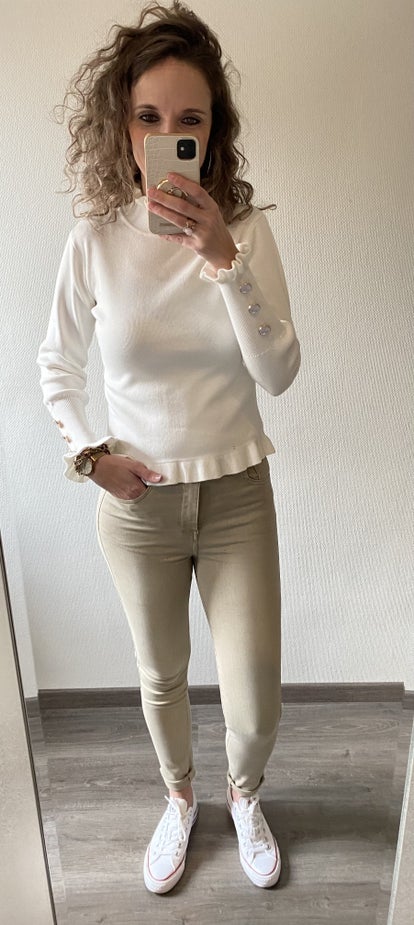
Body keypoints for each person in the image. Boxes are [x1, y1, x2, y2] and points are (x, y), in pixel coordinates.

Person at [37, 0, 300, 895]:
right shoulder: (95, 239)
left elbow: (280, 372)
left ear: (213, 131)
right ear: (124, 126)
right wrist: (90, 455)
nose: (167, 137)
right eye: (148, 117)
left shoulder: (247, 231)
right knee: (162, 676)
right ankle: (181, 797)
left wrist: (223, 257)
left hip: (236, 493)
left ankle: (243, 793)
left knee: (255, 691)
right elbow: (56, 364)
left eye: (189, 119)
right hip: (137, 503)